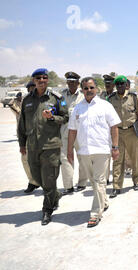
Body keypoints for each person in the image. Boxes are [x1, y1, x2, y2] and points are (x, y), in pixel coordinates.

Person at [17, 68, 69, 225]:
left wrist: (52, 117)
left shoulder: (57, 98)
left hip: (50, 145)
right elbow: (21, 125)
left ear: (47, 80)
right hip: (32, 146)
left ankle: (47, 210)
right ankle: (55, 196)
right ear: (33, 80)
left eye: (44, 77)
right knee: (37, 178)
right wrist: (22, 143)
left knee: (49, 179)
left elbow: (66, 117)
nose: (41, 80)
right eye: (38, 78)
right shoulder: (27, 100)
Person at [67, 77, 121, 228]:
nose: (89, 91)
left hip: (102, 150)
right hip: (84, 151)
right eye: (86, 88)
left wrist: (115, 147)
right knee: (94, 182)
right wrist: (69, 150)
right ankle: (103, 201)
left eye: (91, 87)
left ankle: (95, 213)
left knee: (98, 181)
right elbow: (72, 130)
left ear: (96, 89)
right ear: (82, 90)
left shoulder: (105, 106)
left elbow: (114, 127)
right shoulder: (78, 108)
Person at [107, 75, 138, 198]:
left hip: (131, 131)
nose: (120, 86)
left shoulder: (133, 97)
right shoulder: (110, 99)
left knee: (136, 159)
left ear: (126, 85)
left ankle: (137, 181)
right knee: (117, 159)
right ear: (115, 86)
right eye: (117, 84)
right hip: (117, 132)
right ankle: (117, 186)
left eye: (122, 84)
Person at [60, 71, 88, 195]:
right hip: (65, 130)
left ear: (78, 83)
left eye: (74, 82)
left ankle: (82, 182)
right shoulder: (60, 96)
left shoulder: (83, 96)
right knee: (65, 158)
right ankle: (68, 186)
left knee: (82, 157)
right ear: (67, 83)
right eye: (69, 82)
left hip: (80, 130)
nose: (71, 84)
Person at [10, 87, 40, 193]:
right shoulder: (26, 100)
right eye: (29, 88)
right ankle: (33, 182)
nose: (31, 90)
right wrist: (21, 143)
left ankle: (46, 183)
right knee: (25, 159)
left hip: (44, 137)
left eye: (33, 88)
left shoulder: (47, 99)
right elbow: (21, 121)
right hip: (29, 136)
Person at [99, 73, 116, 184]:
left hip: (115, 128)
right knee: (105, 153)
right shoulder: (101, 96)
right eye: (106, 83)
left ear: (113, 85)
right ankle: (106, 177)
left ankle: (118, 175)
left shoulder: (117, 95)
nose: (107, 85)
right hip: (103, 128)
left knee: (116, 152)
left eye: (109, 83)